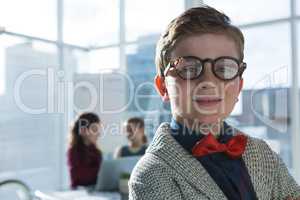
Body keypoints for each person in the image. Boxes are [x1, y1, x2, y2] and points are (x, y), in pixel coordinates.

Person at [128, 6, 300, 200]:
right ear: (163, 87)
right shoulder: (151, 175)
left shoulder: (262, 153)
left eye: (225, 69)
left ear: (239, 86)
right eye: (189, 68)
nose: (209, 82)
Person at [67, 112, 102, 189]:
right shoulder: (73, 152)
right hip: (80, 193)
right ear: (83, 131)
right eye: (95, 129)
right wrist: (100, 172)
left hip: (96, 191)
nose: (98, 134)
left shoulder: (97, 152)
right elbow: (79, 177)